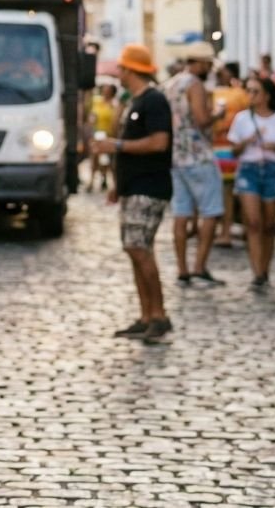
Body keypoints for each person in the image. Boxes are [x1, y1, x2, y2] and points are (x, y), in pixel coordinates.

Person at [91, 44, 173, 344]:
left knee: (140, 248)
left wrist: (117, 146)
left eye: (122, 68)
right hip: (133, 186)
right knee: (133, 249)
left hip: (149, 187)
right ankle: (146, 315)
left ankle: (159, 314)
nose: (119, 73)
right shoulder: (135, 101)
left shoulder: (154, 101)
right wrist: (118, 184)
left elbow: (159, 142)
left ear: (131, 70)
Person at [164, 42, 226, 288]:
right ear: (199, 63)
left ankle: (182, 269)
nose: (210, 68)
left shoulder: (170, 84)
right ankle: (199, 266)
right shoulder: (195, 85)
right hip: (198, 155)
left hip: (176, 157)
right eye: (208, 64)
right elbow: (201, 120)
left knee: (181, 213)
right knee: (211, 211)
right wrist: (218, 114)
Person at [227, 77, 275, 291]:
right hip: (249, 170)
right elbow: (234, 151)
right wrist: (246, 142)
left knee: (268, 225)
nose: (251, 95)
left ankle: (265, 269)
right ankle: (257, 273)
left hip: (273, 171)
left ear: (267, 95)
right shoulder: (241, 119)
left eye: (255, 91)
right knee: (254, 222)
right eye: (249, 91)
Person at [211, 62, 250, 248]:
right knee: (224, 191)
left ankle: (231, 230)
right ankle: (226, 230)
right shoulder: (213, 92)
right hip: (216, 146)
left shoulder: (240, 94)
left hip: (233, 147)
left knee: (230, 191)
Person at [90, 82, 118, 192]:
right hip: (98, 133)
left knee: (108, 160)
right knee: (95, 158)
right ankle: (92, 181)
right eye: (104, 89)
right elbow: (92, 114)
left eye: (108, 89)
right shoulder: (97, 101)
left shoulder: (114, 104)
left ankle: (107, 179)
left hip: (109, 134)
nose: (105, 91)